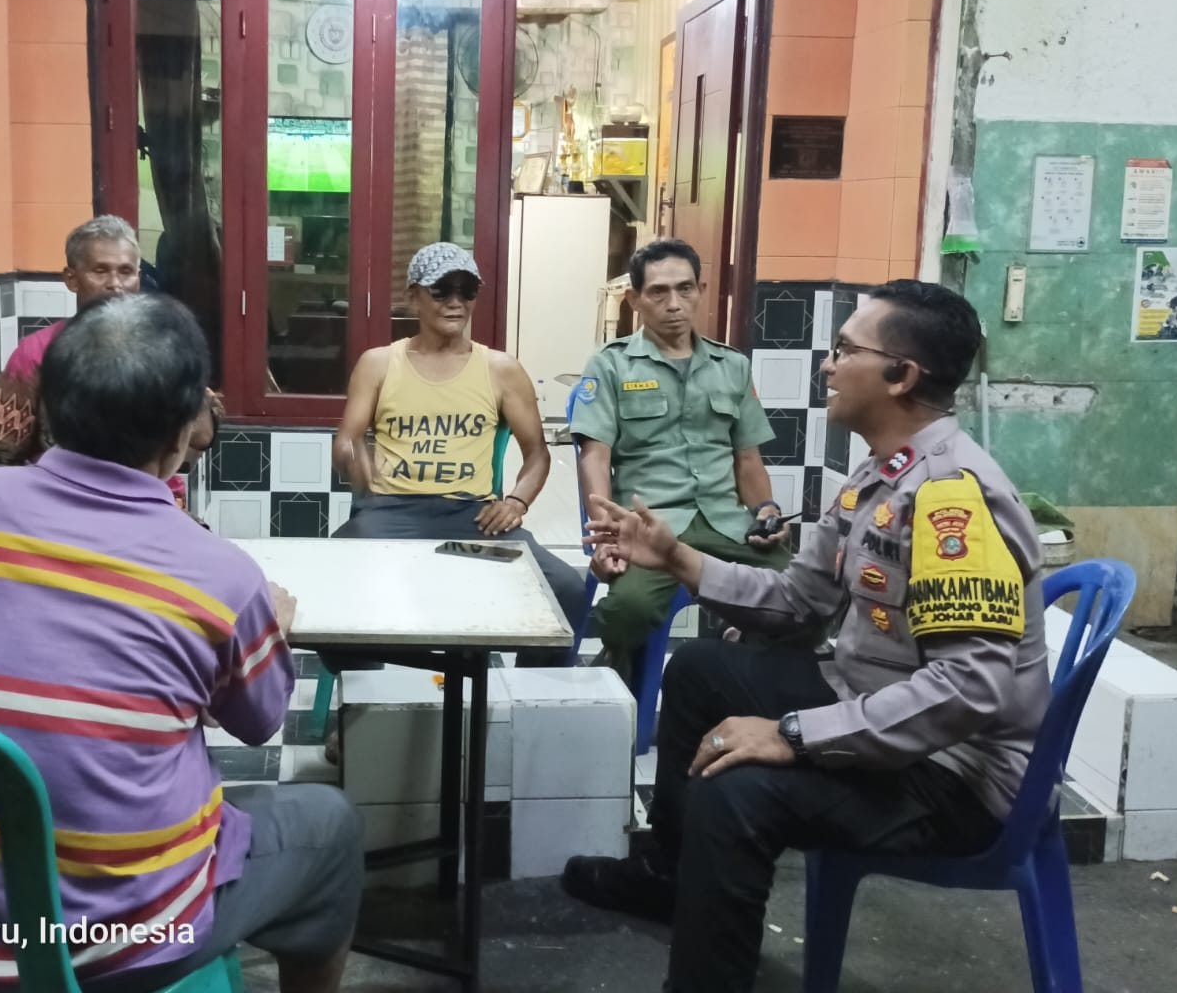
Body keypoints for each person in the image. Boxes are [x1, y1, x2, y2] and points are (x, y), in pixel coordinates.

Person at [562, 280, 1050, 993]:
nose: (827, 363)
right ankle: (673, 876)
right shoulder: (883, 475)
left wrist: (791, 734)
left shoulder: (953, 499)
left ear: (900, 375)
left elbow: (966, 692)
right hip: (880, 699)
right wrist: (676, 557)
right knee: (700, 669)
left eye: (847, 350)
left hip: (953, 774)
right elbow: (799, 600)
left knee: (740, 790)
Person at [0, 294, 361, 992]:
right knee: (329, 827)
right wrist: (268, 623)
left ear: (49, 407)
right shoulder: (220, 577)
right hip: (118, 946)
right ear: (188, 429)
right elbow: (259, 722)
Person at [333, 242, 591, 657]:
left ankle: (531, 699)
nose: (456, 302)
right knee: (333, 581)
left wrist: (518, 501)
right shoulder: (379, 364)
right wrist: (351, 456)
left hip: (470, 523)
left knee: (564, 589)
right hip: (390, 515)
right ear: (412, 295)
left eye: (466, 291)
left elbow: (538, 454)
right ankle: (363, 694)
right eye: (442, 291)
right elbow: (346, 438)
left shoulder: (501, 370)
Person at [572, 240, 791, 677]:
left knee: (800, 594)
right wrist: (608, 533)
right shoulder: (611, 365)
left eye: (685, 289)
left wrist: (766, 512)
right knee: (626, 612)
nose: (674, 304)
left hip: (725, 523)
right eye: (658, 292)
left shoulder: (732, 366)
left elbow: (748, 459)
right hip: (649, 527)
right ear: (634, 300)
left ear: (700, 289)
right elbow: (594, 458)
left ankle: (748, 671)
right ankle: (620, 679)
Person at [0, 214, 221, 508]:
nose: (115, 284)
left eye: (126, 271)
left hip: (149, 508)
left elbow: (198, 437)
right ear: (71, 279)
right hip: (62, 512)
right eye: (100, 271)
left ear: (139, 278)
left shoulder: (163, 349)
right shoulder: (37, 354)